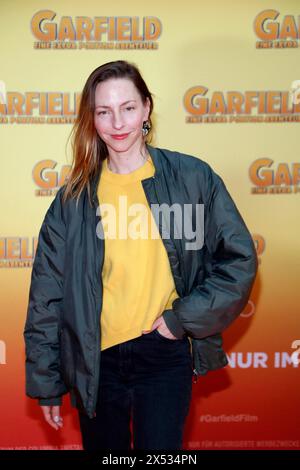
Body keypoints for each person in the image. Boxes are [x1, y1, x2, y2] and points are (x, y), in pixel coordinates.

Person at [24, 60, 258, 450]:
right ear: (92, 118)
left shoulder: (192, 178)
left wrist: (180, 319)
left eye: (128, 108)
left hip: (164, 354)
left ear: (147, 108)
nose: (118, 122)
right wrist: (47, 381)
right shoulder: (73, 200)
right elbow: (47, 296)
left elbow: (239, 260)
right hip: (96, 361)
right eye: (104, 111)